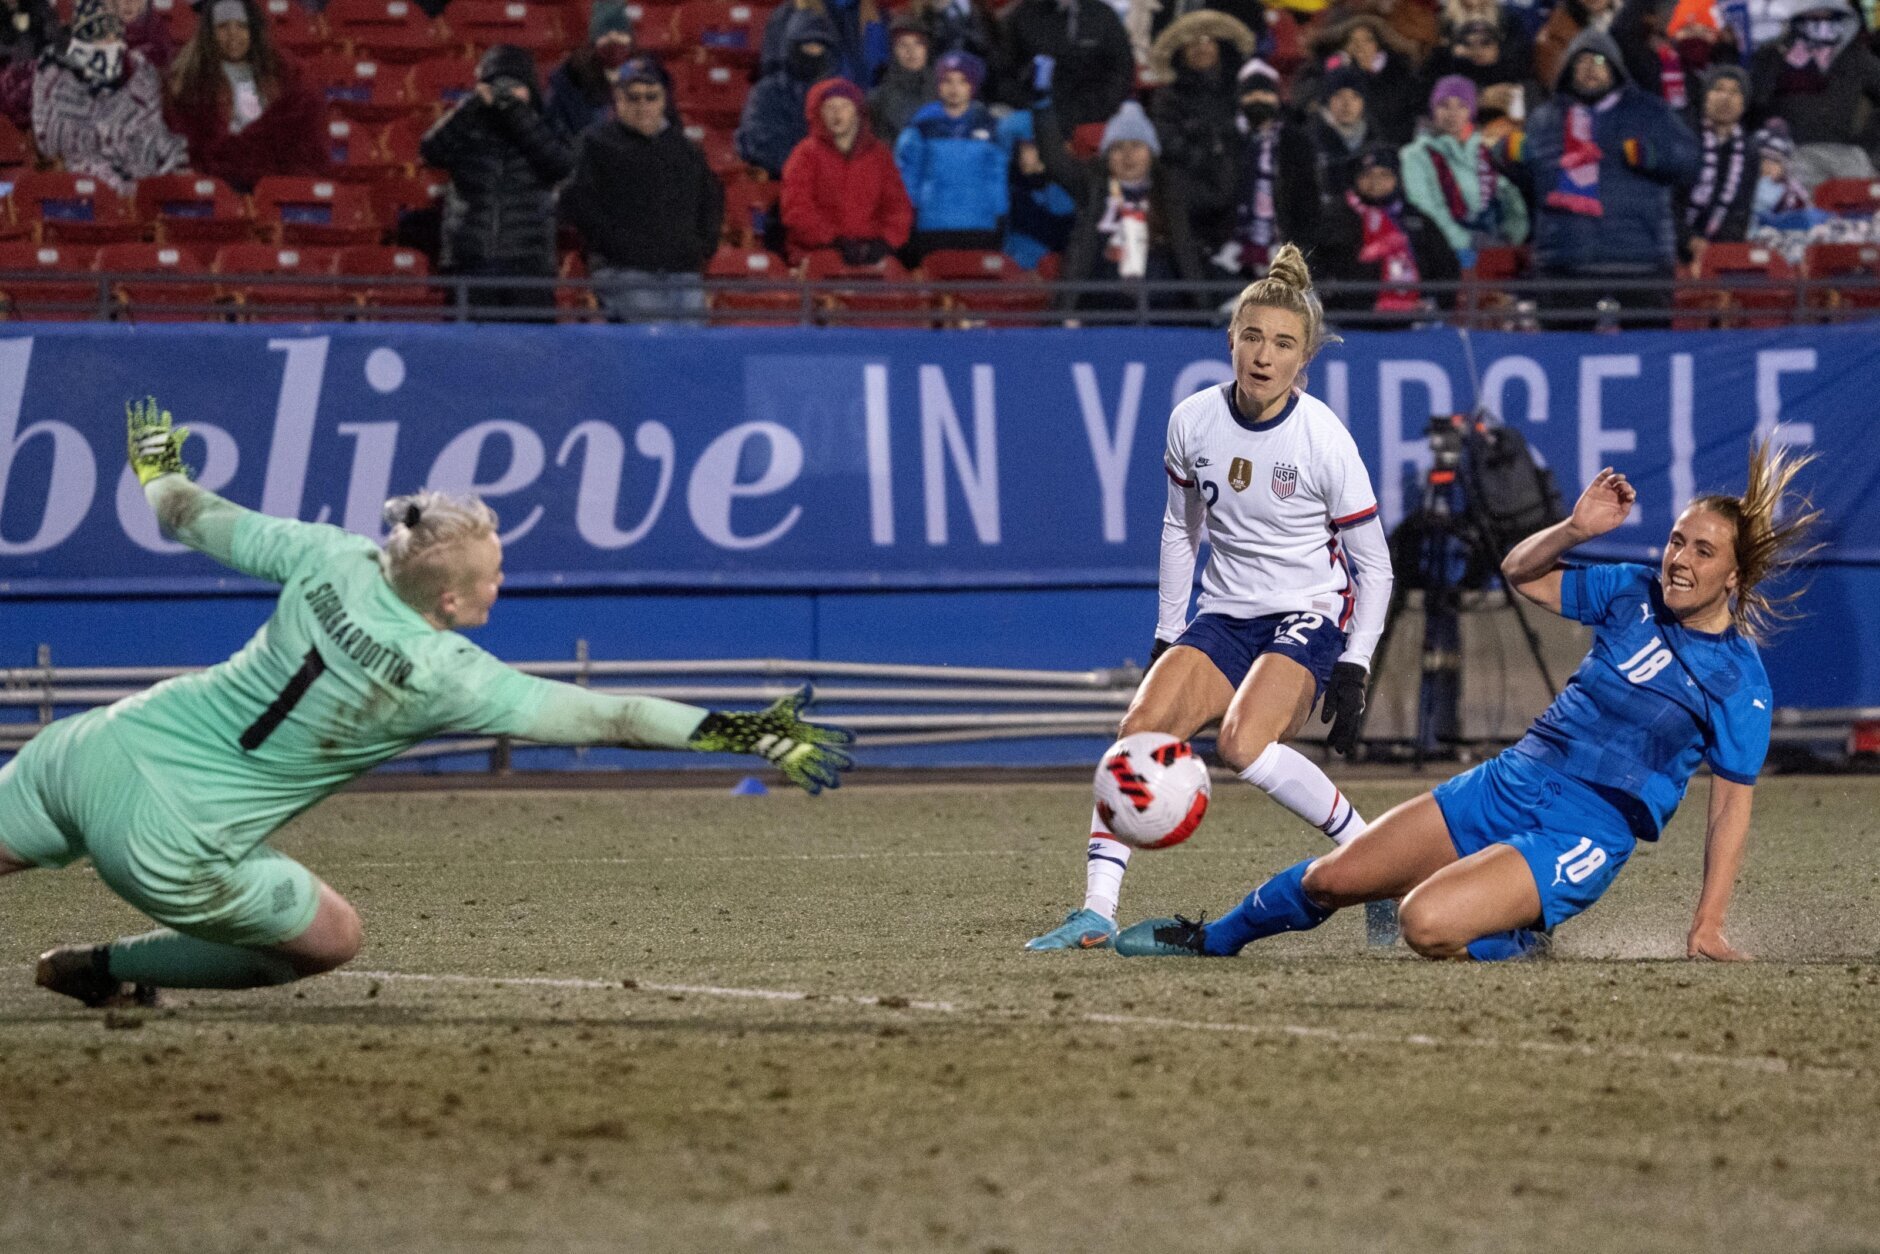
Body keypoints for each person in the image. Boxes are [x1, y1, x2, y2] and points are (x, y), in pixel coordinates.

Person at [13, 400, 854, 1009]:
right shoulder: (446, 672)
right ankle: (106, 966)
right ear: (449, 602)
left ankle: (97, 967)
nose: (501, 580)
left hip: (91, 747)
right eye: (492, 572)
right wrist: (754, 731)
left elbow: (185, 513)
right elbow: (618, 719)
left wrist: (157, 456)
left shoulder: (331, 556)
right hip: (170, 843)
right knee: (332, 938)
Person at [1115, 441, 1818, 965]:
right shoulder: (1631, 590)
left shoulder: (1740, 681)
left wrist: (1709, 923)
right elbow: (1521, 573)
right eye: (1676, 540)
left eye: (1702, 551)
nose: (1679, 559)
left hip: (1581, 833)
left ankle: (1516, 941)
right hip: (1509, 780)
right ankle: (1210, 941)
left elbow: (1730, 807)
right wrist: (1575, 530)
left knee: (1425, 924)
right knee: (1338, 878)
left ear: (1734, 575)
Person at [1026, 244, 1394, 950]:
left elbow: (1373, 566)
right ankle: (1096, 912)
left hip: (1308, 614)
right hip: (1224, 615)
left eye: (1283, 343)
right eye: (1252, 336)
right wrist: (1170, 634)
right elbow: (1178, 529)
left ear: (1303, 362)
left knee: (1240, 745)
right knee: (1137, 733)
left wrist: (1357, 663)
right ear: (1230, 340)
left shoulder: (1325, 440)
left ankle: (1375, 862)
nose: (1263, 354)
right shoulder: (1193, 421)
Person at [1503, 28, 1700, 329]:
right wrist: (1505, 156)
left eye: (1598, 60)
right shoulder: (1545, 119)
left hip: (1638, 264)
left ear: (1615, 67)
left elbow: (1689, 160)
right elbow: (1532, 181)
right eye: (1580, 62)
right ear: (1568, 69)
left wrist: (1652, 157)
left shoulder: (1650, 112)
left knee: (1646, 366)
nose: (1590, 68)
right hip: (1564, 266)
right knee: (1564, 365)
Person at [561, 55, 724, 321]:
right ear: (618, 99)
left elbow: (711, 197)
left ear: (663, 100)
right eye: (633, 97)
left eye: (651, 97)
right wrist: (617, 246)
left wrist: (702, 246)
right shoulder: (594, 143)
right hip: (623, 270)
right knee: (656, 338)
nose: (643, 105)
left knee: (692, 346)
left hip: (681, 270)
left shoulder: (685, 149)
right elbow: (577, 201)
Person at [419, 44, 574, 318]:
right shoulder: (468, 126)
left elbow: (560, 165)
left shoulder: (546, 124)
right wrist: (471, 106)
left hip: (528, 264)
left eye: (515, 85)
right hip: (471, 261)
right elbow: (431, 151)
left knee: (527, 354)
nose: (506, 93)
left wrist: (518, 113)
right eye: (498, 84)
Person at [1033, 93, 1209, 314]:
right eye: (1118, 148)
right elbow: (1055, 160)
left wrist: (1208, 135)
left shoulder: (1171, 190)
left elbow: (1220, 191)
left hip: (1167, 312)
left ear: (1151, 153)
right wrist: (1043, 108)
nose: (1128, 156)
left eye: (1136, 145)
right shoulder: (1093, 187)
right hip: (1100, 311)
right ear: (1106, 157)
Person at [163, 0, 326, 194]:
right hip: (214, 184)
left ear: (254, 31)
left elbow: (300, 141)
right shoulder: (187, 81)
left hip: (271, 181)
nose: (233, 35)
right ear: (209, 34)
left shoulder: (286, 75)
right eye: (223, 27)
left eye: (242, 26)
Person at [32, 0, 187, 193]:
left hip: (143, 190)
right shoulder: (55, 77)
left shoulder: (141, 76)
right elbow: (54, 144)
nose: (107, 45)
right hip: (82, 190)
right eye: (97, 36)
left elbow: (155, 135)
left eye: (113, 37)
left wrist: (174, 164)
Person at [1147, 9, 1260, 258]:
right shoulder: (1168, 97)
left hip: (1238, 181)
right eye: (1192, 44)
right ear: (1181, 53)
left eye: (1208, 40)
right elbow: (1166, 139)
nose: (1201, 48)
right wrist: (1202, 158)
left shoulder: (1240, 89)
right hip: (1191, 183)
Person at [1315, 142, 1462, 315]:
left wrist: (1433, 303)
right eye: (1367, 175)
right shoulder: (1335, 218)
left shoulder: (1417, 220)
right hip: (1352, 324)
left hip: (1417, 322)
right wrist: (1355, 307)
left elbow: (1447, 269)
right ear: (1355, 179)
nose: (1375, 183)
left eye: (1384, 175)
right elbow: (1318, 272)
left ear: (1396, 178)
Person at [1400, 75, 1530, 268]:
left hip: (1496, 249)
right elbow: (1427, 208)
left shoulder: (1487, 150)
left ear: (1471, 111)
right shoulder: (1415, 155)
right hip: (1445, 254)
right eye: (1444, 105)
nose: (1453, 113)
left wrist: (1512, 235)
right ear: (1433, 109)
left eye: (1461, 105)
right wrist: (1468, 241)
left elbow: (1510, 196)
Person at [1747, 0, 1880, 189]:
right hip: (1785, 159)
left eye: (1827, 15)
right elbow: (1752, 104)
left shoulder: (1856, 57)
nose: (1819, 22)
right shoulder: (1773, 54)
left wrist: (1871, 149)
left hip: (1844, 159)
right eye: (1812, 15)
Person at [780, 78, 914, 264]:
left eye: (844, 106)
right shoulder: (805, 154)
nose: (837, 114)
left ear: (857, 112)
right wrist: (831, 241)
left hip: (873, 251)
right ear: (818, 113)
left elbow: (898, 208)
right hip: (818, 252)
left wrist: (886, 242)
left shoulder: (879, 155)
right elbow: (797, 209)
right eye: (829, 107)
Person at [1210, 56, 1321, 276]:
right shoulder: (1225, 140)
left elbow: (1307, 202)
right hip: (1229, 255)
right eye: (1251, 94)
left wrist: (1303, 250)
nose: (1258, 99)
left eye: (1265, 93)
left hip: (1284, 254)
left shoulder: (1296, 142)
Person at [894, 50, 1009, 258]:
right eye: (947, 81)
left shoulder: (990, 126)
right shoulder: (921, 126)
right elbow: (908, 176)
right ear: (939, 84)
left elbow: (996, 176)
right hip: (932, 226)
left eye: (962, 81)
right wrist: (909, 214)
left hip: (980, 225)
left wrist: (1000, 214)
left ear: (972, 86)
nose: (954, 88)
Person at [995, 0, 1134, 129]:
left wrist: (1089, 110)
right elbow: (1002, 75)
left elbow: (1121, 71)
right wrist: (1032, 105)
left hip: (1094, 115)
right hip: (1035, 114)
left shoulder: (1103, 17)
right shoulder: (1023, 16)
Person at [737, 7, 840, 178]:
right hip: (782, 184)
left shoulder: (839, 94)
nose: (814, 53)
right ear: (792, 47)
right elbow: (762, 144)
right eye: (807, 46)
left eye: (819, 47)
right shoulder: (767, 92)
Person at [1675, 65, 1757, 264]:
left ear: (1744, 104)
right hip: (1668, 245)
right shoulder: (1681, 136)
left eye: (1735, 92)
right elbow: (1663, 205)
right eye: (1718, 89)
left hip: (1715, 254)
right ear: (1705, 96)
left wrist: (1717, 255)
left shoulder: (1749, 150)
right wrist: (1690, 241)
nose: (1725, 98)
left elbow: (1739, 212)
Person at [544, 0, 637, 143]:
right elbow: (555, 134)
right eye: (605, 33)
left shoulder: (649, 75)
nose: (613, 38)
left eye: (620, 31)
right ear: (593, 39)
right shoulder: (569, 80)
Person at [1307, 64, 1373, 196]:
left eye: (1355, 96)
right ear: (1327, 100)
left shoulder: (1375, 139)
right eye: (1338, 95)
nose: (1347, 104)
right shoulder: (1309, 140)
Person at [869, 10, 935, 140]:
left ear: (927, 49)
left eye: (918, 43)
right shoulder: (878, 99)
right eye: (902, 45)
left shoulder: (944, 88)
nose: (911, 51)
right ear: (893, 51)